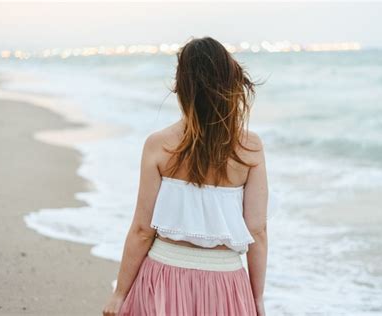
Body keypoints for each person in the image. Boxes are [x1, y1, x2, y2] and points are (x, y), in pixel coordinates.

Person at [102, 36, 268, 316]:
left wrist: (120, 294)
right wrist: (257, 298)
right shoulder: (250, 148)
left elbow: (142, 231)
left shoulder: (159, 145)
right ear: (231, 83)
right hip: (226, 283)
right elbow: (257, 232)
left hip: (164, 275)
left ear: (181, 87)